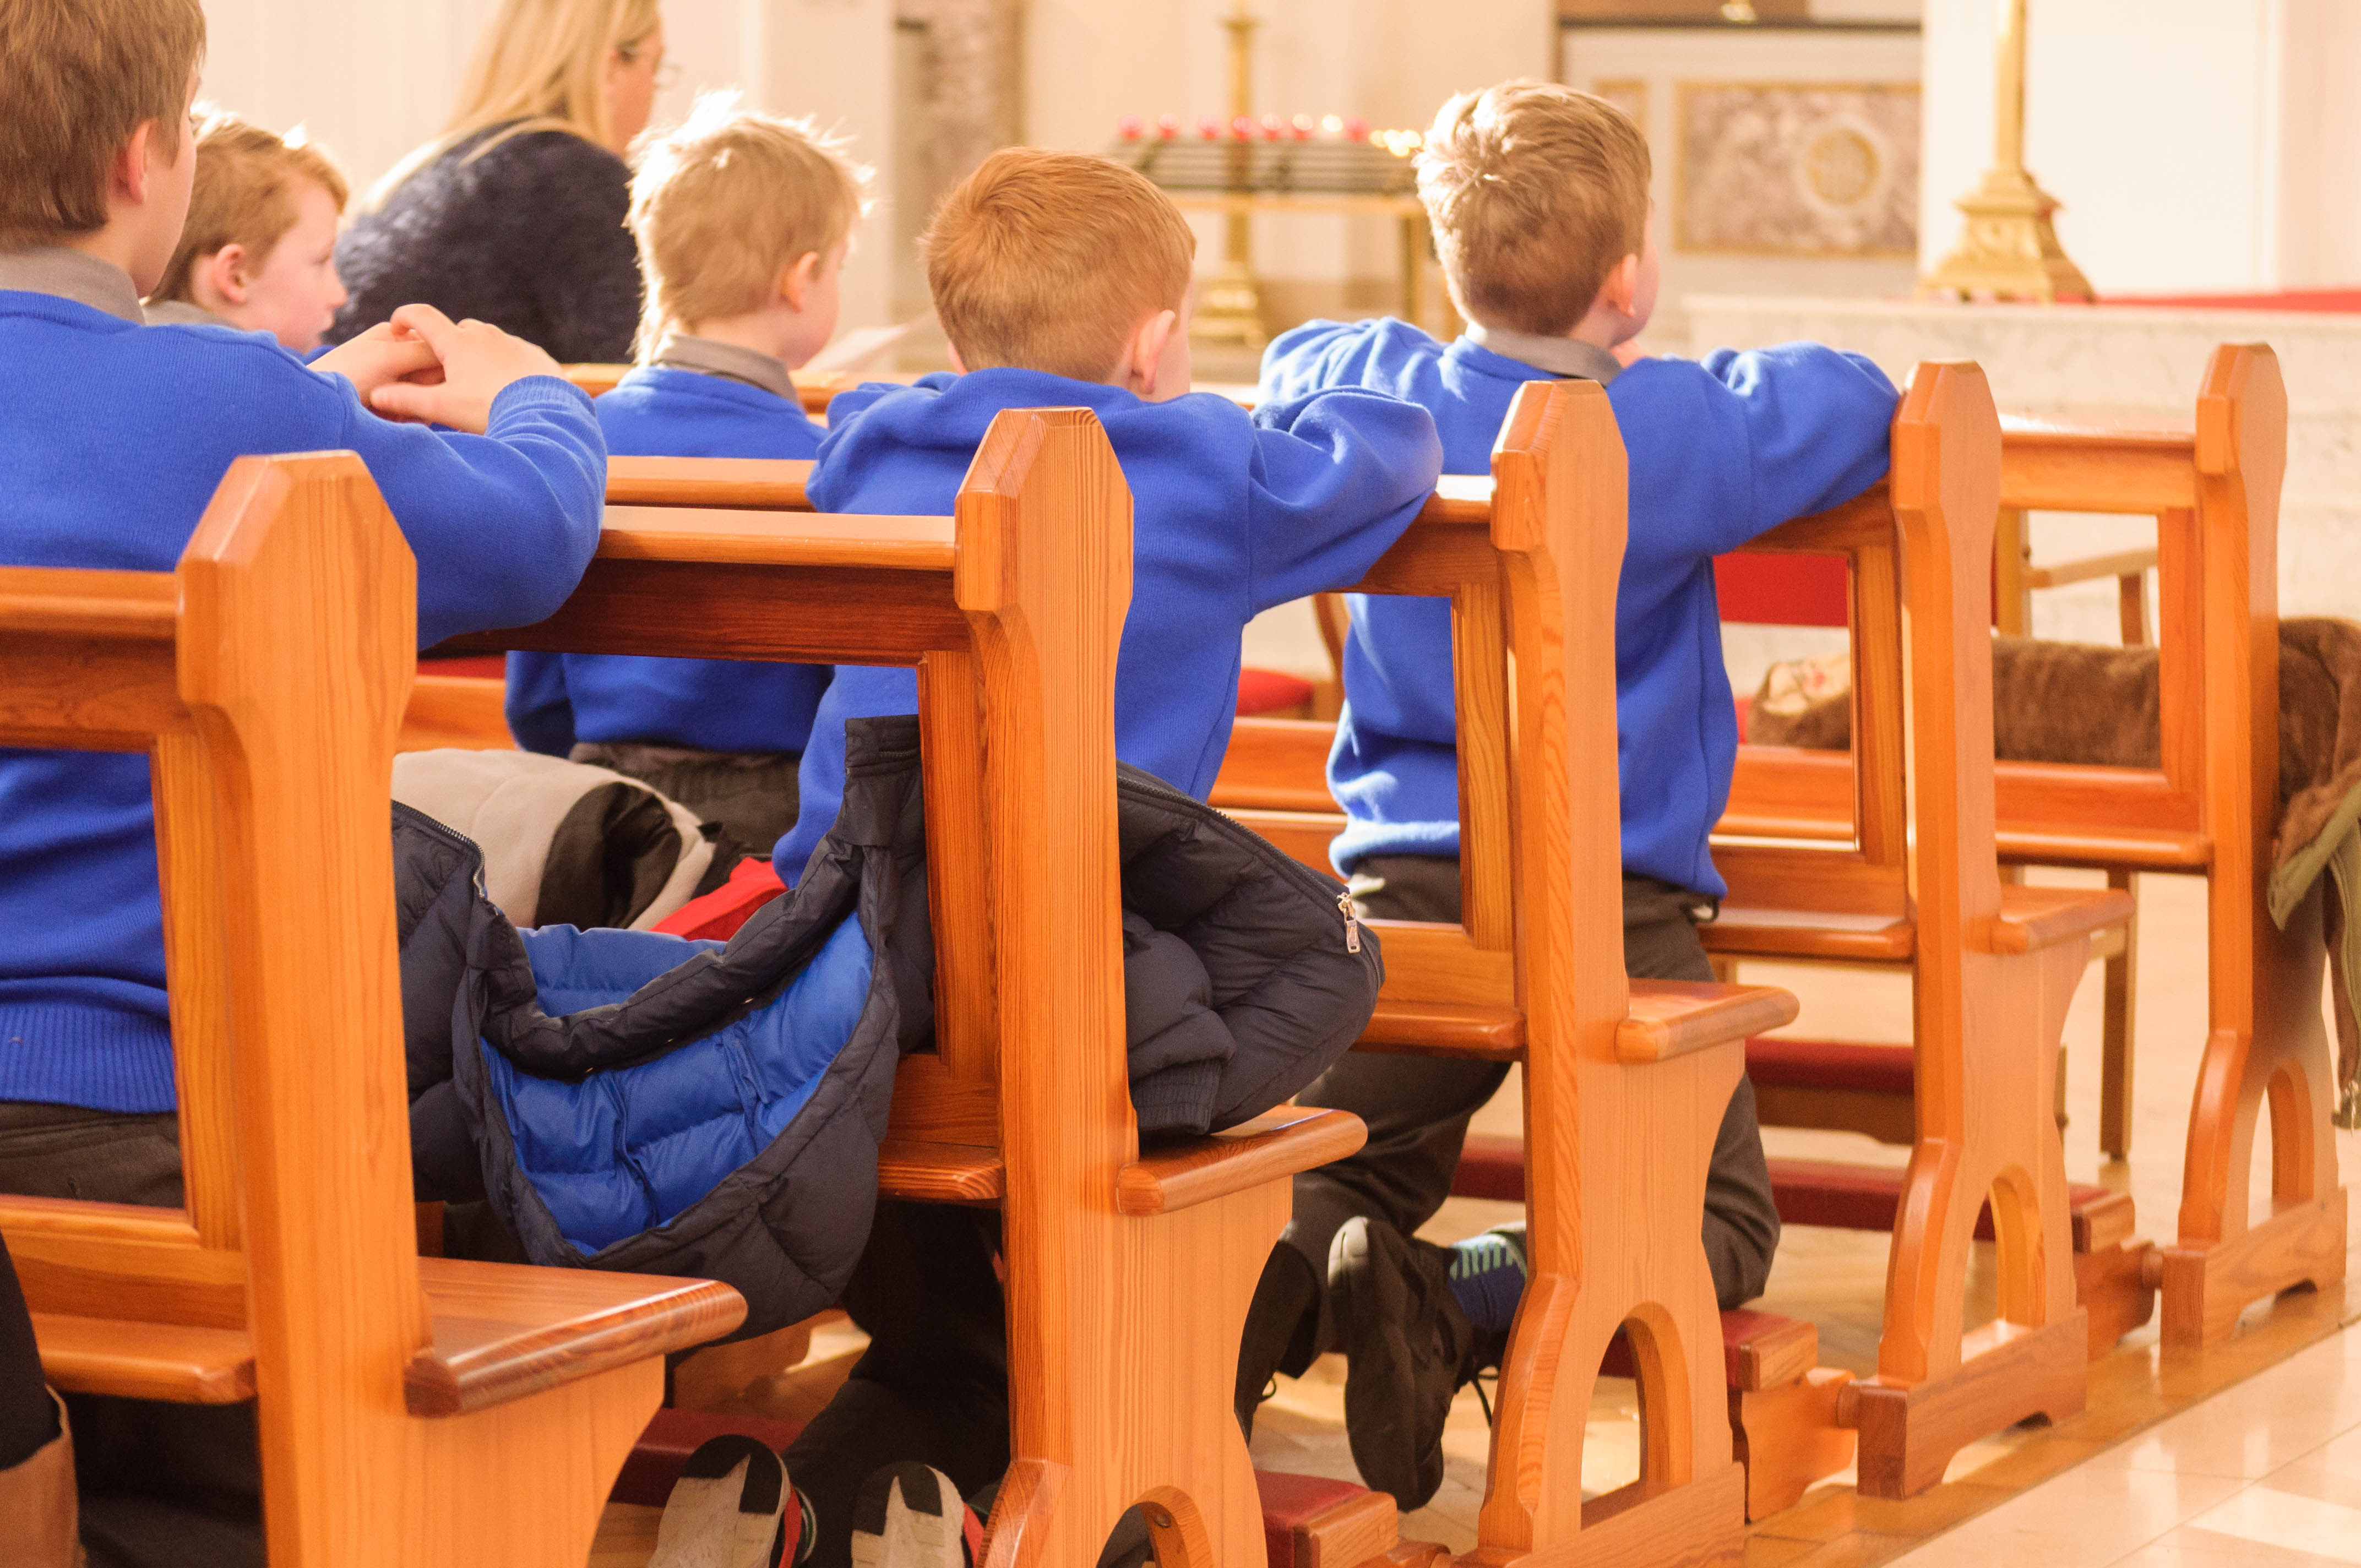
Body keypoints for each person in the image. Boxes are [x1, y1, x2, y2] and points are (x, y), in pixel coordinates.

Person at [769, 147, 1443, 1568]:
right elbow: (1391, 450)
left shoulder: (872, 444)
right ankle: (1123, 1474)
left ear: (957, 331)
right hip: (1063, 985)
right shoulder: (1191, 461)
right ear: (1152, 343)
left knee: (954, 1336)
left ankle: (814, 1513)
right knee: (1329, 967)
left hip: (838, 962)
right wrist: (1295, 379)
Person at [0, 1, 610, 1556]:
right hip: (167, 1136)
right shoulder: (233, 404)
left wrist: (316, 392)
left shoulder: (241, 405)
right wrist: (531, 393)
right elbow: (534, 540)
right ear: (145, 159)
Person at [1245, 79, 1902, 1510]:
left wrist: (1410, 342)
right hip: (1615, 907)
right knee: (1718, 1218)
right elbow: (1857, 399)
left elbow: (1293, 359)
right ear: (1629, 275)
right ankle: (1451, 1295)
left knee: (1351, 1161)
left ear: (1450, 258)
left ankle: (1251, 1322)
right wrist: (1672, 365)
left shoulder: (1386, 394)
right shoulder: (1663, 426)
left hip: (1406, 901)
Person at [506, 90, 868, 851]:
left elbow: (536, 688)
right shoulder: (823, 464)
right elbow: (849, 690)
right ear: (801, 279)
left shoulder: (579, 436)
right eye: (840, 267)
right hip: (772, 805)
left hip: (595, 796)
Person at [329, 0, 665, 362]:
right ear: (611, 69)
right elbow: (627, 371)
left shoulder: (419, 176)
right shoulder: (582, 182)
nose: (655, 90)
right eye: (655, 68)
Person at [142, 108, 349, 350]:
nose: (339, 296)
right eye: (321, 261)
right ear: (236, 276)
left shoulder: (129, 349)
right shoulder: (262, 369)